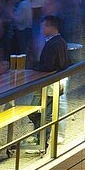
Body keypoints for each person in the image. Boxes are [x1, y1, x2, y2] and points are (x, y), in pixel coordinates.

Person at [33, 15, 71, 146]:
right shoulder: (61, 41)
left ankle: (42, 138)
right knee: (56, 108)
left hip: (53, 81)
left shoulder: (52, 44)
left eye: (43, 26)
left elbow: (48, 65)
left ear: (50, 27)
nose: (41, 29)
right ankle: (42, 135)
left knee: (45, 111)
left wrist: (35, 67)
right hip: (60, 78)